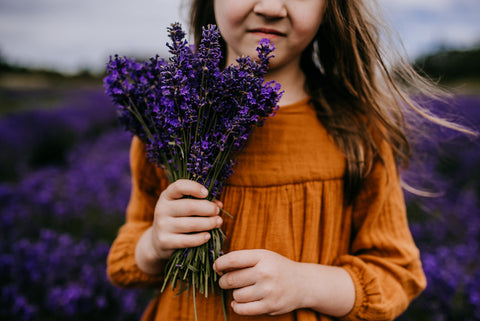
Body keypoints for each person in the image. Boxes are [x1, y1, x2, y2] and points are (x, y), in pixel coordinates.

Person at [106, 0, 455, 320]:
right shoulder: (169, 121)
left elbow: (398, 272)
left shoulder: (358, 131)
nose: (272, 7)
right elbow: (124, 258)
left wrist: (305, 284)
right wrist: (154, 243)